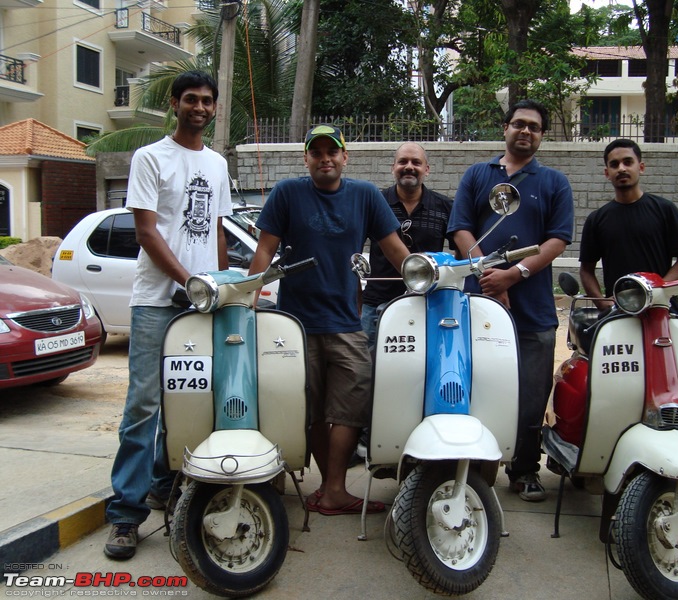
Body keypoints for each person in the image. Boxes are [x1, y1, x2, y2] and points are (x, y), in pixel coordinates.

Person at [248, 124, 409, 515]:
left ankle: (334, 488)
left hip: (347, 322)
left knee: (350, 407)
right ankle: (330, 489)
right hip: (296, 324)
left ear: (344, 156)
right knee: (313, 410)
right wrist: (246, 300)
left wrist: (427, 284)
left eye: (331, 152)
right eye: (316, 153)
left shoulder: (366, 196)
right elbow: (264, 251)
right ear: (306, 159)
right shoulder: (288, 193)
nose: (325, 159)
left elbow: (396, 251)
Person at [104, 71, 232, 559]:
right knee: (143, 404)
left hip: (203, 303)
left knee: (190, 398)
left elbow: (217, 230)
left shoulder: (217, 164)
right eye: (190, 100)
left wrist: (219, 285)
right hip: (158, 301)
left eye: (207, 101)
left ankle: (163, 483)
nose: (199, 107)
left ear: (214, 108)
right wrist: (188, 282)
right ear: (174, 104)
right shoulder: (150, 158)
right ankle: (125, 513)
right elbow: (146, 231)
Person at [448, 99, 574, 502]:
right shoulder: (476, 175)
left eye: (534, 127)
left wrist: (515, 274)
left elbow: (557, 239)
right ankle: (474, 468)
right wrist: (490, 276)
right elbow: (462, 230)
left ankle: (524, 471)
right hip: (480, 302)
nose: (525, 131)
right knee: (476, 386)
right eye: (519, 124)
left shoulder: (554, 182)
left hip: (534, 310)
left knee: (531, 393)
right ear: (505, 128)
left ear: (541, 136)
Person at [579, 139, 678, 310]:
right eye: (614, 164)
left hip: (662, 308)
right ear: (607, 173)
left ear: (641, 167)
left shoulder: (664, 209)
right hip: (618, 312)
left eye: (628, 162)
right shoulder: (596, 219)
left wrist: (658, 289)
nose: (621, 168)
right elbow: (586, 270)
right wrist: (602, 303)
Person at [361, 142, 453, 347]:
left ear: (426, 170)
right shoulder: (375, 202)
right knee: (364, 373)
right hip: (376, 305)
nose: (409, 166)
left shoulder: (445, 207)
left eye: (416, 162)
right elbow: (353, 251)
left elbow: (459, 256)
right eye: (403, 161)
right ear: (393, 167)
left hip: (427, 304)